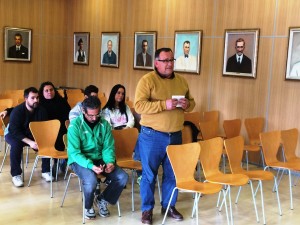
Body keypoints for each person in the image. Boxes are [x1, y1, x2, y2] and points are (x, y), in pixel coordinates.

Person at [134, 47, 195, 224]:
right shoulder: (147, 80)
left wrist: (186, 105)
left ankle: (169, 206)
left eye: (171, 60)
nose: (169, 64)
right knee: (149, 175)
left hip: (175, 134)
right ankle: (147, 210)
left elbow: (192, 103)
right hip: (152, 136)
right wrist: (163, 105)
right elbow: (139, 106)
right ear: (156, 63)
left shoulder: (182, 81)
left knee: (172, 174)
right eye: (165, 61)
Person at [67, 96, 128, 220]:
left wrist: (110, 162)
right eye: (91, 115)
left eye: (97, 114)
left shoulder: (104, 124)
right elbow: (75, 153)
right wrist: (91, 166)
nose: (95, 118)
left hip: (99, 158)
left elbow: (108, 147)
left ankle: (102, 199)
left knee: (122, 177)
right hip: (80, 160)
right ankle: (88, 206)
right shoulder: (75, 126)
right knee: (91, 181)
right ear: (83, 111)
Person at [5, 87, 51, 187]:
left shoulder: (42, 110)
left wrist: (39, 140)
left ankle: (46, 171)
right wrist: (30, 142)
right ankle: (16, 175)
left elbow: (43, 128)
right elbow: (14, 131)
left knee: (46, 141)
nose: (36, 100)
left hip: (31, 133)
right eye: (33, 98)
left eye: (37, 98)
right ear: (26, 99)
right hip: (13, 133)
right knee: (16, 145)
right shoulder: (17, 111)